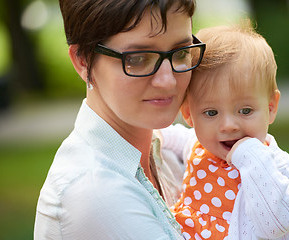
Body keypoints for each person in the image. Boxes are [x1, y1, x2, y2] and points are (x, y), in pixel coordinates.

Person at [33, 0, 206, 239]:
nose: (168, 81)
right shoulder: (94, 192)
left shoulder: (169, 151)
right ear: (83, 60)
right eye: (137, 58)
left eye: (181, 53)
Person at [161, 23, 289, 239]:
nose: (229, 125)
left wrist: (249, 154)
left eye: (245, 110)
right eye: (211, 113)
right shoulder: (199, 145)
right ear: (189, 114)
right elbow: (176, 138)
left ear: (270, 107)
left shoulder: (275, 165)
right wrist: (155, 134)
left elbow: (278, 224)